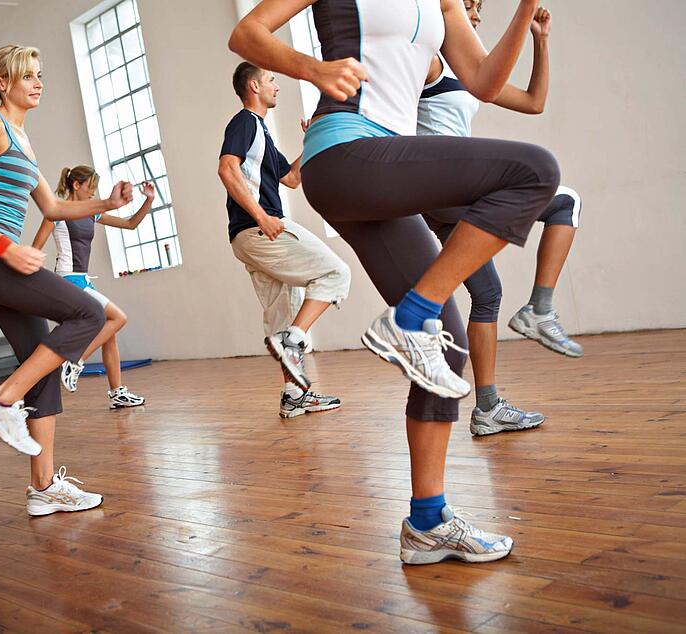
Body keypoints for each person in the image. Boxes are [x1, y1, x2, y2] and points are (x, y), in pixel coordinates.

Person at [230, 0, 560, 563]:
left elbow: (483, 80)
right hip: (344, 151)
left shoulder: (442, 3)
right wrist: (312, 68)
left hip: (385, 166)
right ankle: (409, 316)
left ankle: (426, 523)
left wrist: (525, 9)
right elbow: (246, 32)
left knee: (447, 346)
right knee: (535, 171)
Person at [0, 45, 133, 516]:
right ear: (3, 83)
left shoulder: (23, 141)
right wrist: (5, 245)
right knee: (89, 311)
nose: (38, 82)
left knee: (41, 364)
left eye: (40, 74)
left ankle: (43, 489)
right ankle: (2, 399)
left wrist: (105, 204)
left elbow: (53, 208)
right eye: (27, 75)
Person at [419, 1, 582, 437]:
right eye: (467, 6)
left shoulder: (464, 73)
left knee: (487, 293)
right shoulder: (428, 60)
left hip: (450, 199)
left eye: (476, 10)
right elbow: (381, 104)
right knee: (564, 201)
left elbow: (534, 102)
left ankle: (487, 408)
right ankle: (540, 309)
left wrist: (540, 42)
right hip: (445, 187)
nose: (474, 16)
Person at [218, 61, 351, 418]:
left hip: (249, 235)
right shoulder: (245, 122)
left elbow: (291, 178)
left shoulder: (261, 131)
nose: (277, 86)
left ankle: (294, 395)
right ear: (254, 87)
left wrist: (311, 140)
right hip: (259, 228)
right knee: (337, 273)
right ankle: (293, 340)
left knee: (283, 314)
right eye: (272, 80)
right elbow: (226, 168)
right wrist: (262, 215)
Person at [32, 166, 154, 409]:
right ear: (76, 185)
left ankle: (117, 392)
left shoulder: (92, 213)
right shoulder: (56, 212)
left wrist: (148, 200)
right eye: (90, 188)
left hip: (83, 280)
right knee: (118, 317)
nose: (94, 194)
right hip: (67, 280)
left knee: (110, 331)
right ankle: (74, 360)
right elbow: (35, 248)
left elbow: (130, 224)